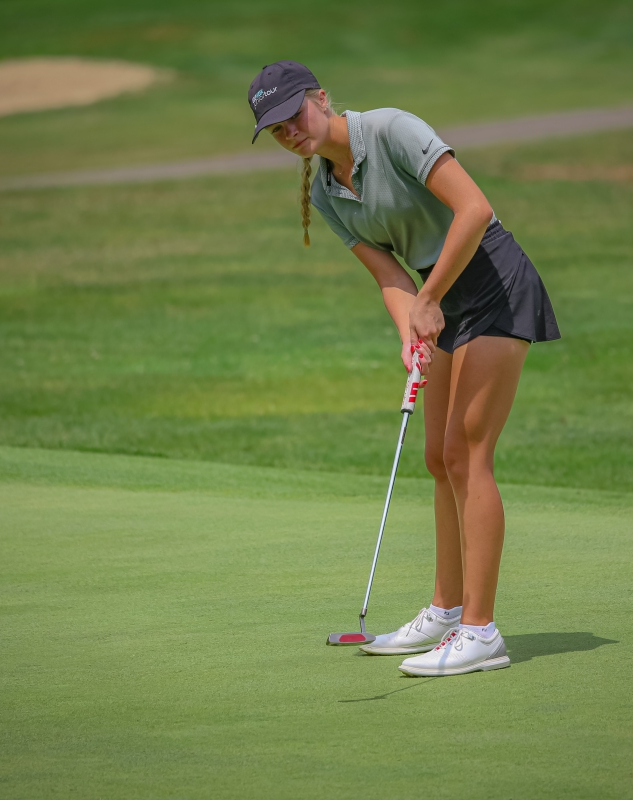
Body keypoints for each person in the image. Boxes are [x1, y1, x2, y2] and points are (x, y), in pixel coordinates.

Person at [248, 61, 559, 677]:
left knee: (468, 454)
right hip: (440, 300)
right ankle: (446, 610)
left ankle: (482, 631)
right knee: (438, 457)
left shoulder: (391, 130)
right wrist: (410, 331)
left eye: (293, 115)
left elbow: (474, 209)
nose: (290, 132)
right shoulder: (325, 193)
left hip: (494, 282)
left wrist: (429, 299)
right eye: (276, 129)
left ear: (321, 98)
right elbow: (390, 275)